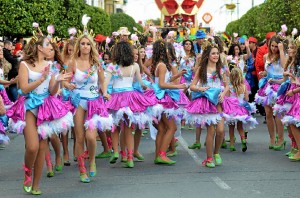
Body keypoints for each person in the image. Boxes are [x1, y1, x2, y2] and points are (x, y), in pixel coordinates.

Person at [6, 35, 73, 195]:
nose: (51, 47)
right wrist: (41, 78)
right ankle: (27, 172)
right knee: (32, 147)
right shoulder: (24, 64)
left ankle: (35, 185)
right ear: (39, 48)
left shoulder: (50, 65)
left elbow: (52, 91)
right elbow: (23, 89)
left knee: (42, 148)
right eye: (48, 44)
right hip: (29, 107)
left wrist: (57, 80)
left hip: (45, 108)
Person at [66, 31, 114, 182]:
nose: (85, 46)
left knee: (91, 137)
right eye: (83, 43)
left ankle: (92, 161)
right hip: (79, 101)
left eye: (88, 44)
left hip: (94, 102)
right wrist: (69, 85)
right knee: (79, 138)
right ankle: (82, 169)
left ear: (91, 46)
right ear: (78, 46)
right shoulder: (73, 62)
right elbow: (64, 80)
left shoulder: (96, 63)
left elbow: (102, 82)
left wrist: (105, 92)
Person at [104, 41, 156, 168]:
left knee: (114, 127)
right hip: (130, 97)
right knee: (128, 128)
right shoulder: (135, 66)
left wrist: (105, 93)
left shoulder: (112, 66)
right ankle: (130, 157)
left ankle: (116, 152)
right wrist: (146, 87)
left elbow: (105, 83)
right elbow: (140, 82)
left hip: (116, 97)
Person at [186, 40, 228, 168]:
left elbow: (227, 86)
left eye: (217, 53)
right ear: (208, 55)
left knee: (220, 130)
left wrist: (223, 94)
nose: (216, 56)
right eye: (213, 53)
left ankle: (216, 153)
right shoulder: (201, 69)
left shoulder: (221, 70)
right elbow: (192, 86)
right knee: (211, 130)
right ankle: (209, 158)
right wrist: (200, 89)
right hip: (207, 102)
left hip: (217, 101)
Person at [255, 36, 287, 150]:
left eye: (276, 46)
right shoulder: (265, 56)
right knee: (268, 113)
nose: (274, 48)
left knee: (277, 113)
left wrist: (282, 50)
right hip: (268, 86)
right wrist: (264, 73)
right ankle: (272, 138)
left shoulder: (283, 56)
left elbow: (284, 67)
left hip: (280, 85)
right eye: (272, 46)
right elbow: (268, 72)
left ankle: (281, 139)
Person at [222, 67, 258, 152]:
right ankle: (243, 139)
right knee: (240, 127)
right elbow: (247, 99)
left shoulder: (229, 87)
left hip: (231, 109)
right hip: (241, 109)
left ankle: (232, 145)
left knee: (231, 127)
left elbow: (226, 97)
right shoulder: (244, 86)